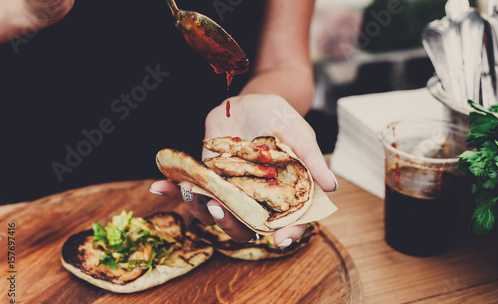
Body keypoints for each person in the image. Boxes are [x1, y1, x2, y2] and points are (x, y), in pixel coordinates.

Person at [0, 0, 337, 246]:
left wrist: (257, 103)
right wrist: (21, 13)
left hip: (197, 183)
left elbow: (284, 64)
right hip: (32, 190)